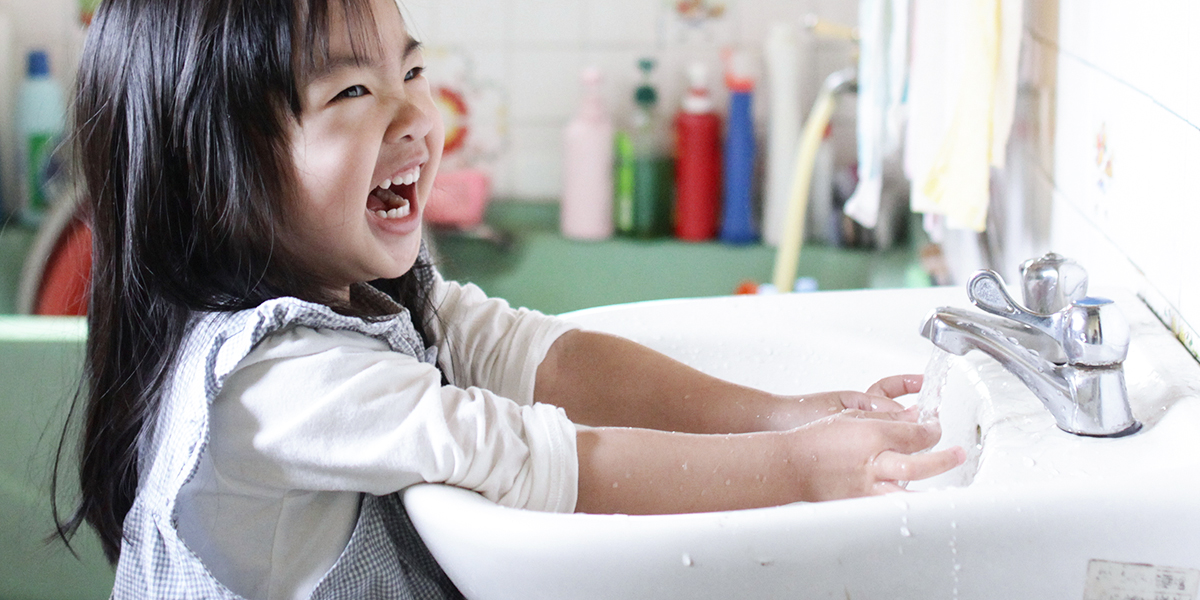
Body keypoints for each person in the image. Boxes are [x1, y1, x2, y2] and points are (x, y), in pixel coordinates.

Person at [52, 0, 964, 598]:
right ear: (217, 179)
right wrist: (804, 469)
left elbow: (541, 357)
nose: (411, 114)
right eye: (353, 91)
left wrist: (778, 416)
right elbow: (530, 458)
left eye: (410, 73)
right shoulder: (279, 383)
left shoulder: (365, 294)